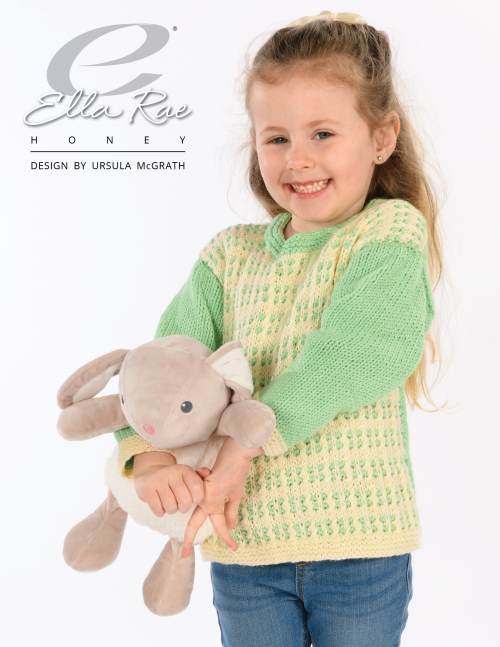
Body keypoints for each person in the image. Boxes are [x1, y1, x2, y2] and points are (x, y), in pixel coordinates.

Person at [115, 10, 446, 646]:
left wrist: (242, 446)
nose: (298, 159)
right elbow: (160, 370)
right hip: (244, 547)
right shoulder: (229, 256)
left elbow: (354, 354)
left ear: (381, 138)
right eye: (276, 138)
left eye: (323, 133)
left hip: (358, 547)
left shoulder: (387, 233)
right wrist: (150, 459)